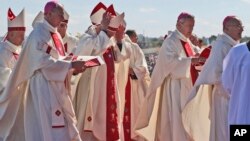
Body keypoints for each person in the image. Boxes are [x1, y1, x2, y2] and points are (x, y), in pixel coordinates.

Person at [0, 1, 87, 141]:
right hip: (43, 88)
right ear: (49, 14)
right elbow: (43, 62)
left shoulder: (56, 34)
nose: (62, 18)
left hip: (57, 87)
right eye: (60, 15)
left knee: (62, 128)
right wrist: (70, 66)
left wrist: (72, 65)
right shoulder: (38, 34)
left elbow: (58, 58)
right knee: (49, 130)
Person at [134, 12, 205, 141]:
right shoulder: (171, 40)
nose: (192, 29)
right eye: (189, 26)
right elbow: (170, 63)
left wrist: (201, 56)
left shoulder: (186, 40)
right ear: (179, 24)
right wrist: (191, 61)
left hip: (188, 85)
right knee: (177, 122)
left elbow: (196, 53)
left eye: (193, 26)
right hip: (175, 88)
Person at [182, 16, 243, 141]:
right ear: (227, 28)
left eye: (242, 26)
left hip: (235, 98)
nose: (242, 29)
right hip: (225, 98)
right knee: (226, 132)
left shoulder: (233, 45)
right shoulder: (221, 46)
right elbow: (216, 75)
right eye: (238, 26)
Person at [73, 3, 128, 140]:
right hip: (93, 88)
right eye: (110, 31)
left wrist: (119, 41)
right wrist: (104, 33)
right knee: (91, 124)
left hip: (108, 86)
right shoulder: (87, 38)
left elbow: (118, 58)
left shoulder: (107, 38)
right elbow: (89, 53)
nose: (112, 35)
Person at [125, 29, 150, 141]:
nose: (137, 39)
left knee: (134, 115)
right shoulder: (114, 46)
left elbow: (143, 68)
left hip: (134, 87)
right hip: (121, 86)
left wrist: (130, 70)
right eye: (136, 37)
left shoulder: (135, 48)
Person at [222, 40, 250, 127]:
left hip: (241, 110)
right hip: (241, 110)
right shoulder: (237, 51)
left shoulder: (237, 51)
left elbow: (227, 84)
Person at [0, 8, 25, 95]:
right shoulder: (2, 51)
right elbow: (2, 74)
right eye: (20, 35)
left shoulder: (20, 50)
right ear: (11, 35)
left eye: (23, 35)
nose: (23, 38)